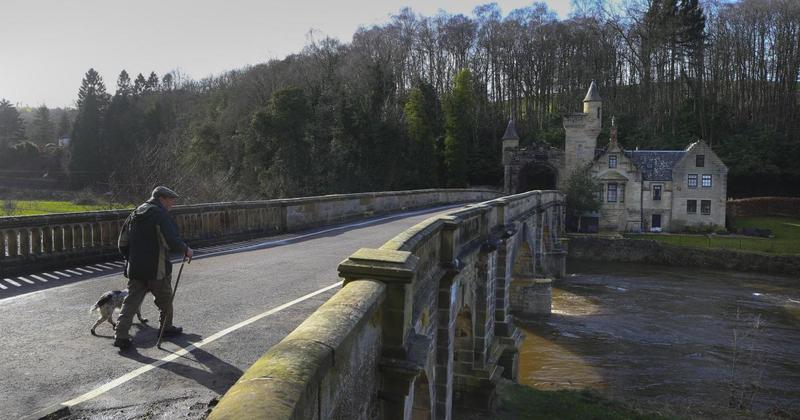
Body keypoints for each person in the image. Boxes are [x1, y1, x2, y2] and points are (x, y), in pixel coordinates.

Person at [114, 186, 193, 350]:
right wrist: (186, 250)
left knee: (130, 303)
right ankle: (166, 329)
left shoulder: (135, 213)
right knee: (165, 300)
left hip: (135, 268)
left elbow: (122, 242)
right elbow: (172, 238)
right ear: (162, 198)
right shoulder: (160, 215)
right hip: (157, 269)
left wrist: (131, 259)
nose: (172, 204)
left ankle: (121, 336)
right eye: (171, 200)